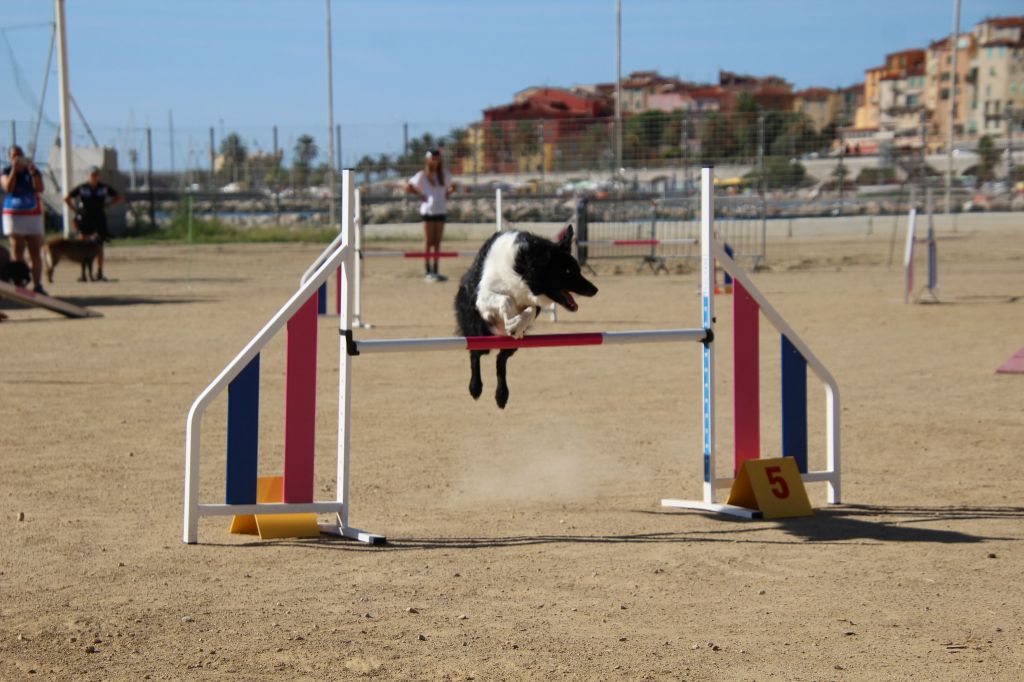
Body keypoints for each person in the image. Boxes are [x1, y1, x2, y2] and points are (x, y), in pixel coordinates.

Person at [65, 166, 123, 281]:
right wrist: (75, 209)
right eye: (92, 175)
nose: (94, 177)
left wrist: (108, 204)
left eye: (96, 175)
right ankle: (83, 273)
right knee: (83, 245)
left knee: (99, 246)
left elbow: (118, 197)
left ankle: (99, 272)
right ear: (88, 176)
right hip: (85, 219)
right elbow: (67, 198)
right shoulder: (82, 188)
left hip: (99, 218)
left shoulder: (103, 188)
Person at [406, 148, 456, 282]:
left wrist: (447, 193)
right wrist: (420, 194)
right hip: (428, 211)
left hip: (440, 210)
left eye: (437, 158)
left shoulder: (444, 174)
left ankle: (436, 270)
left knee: (437, 242)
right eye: (433, 158)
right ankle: (428, 271)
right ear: (428, 160)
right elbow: (409, 186)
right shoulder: (422, 175)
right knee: (428, 242)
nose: (435, 161)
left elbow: (452, 186)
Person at [2, 145, 46, 294]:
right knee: (17, 250)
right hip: (14, 214)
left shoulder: (32, 170)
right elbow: (8, 188)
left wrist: (33, 174)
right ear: (10, 158)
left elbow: (39, 188)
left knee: (35, 250)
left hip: (33, 213)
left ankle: (38, 284)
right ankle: (18, 283)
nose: (18, 158)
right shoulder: (6, 171)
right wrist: (15, 170)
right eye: (14, 156)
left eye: (20, 155)